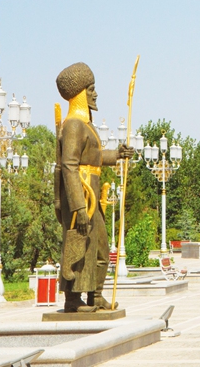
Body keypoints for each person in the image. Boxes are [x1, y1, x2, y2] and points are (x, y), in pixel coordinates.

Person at [54, 63, 134, 313]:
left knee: (99, 246)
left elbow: (94, 157)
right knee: (78, 246)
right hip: (81, 198)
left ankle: (96, 295)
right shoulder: (73, 125)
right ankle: (72, 298)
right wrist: (78, 206)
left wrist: (117, 155)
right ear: (79, 94)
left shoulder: (84, 126)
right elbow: (69, 165)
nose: (95, 94)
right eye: (91, 89)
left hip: (92, 197)